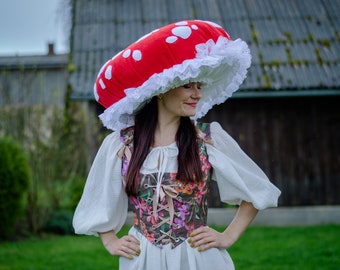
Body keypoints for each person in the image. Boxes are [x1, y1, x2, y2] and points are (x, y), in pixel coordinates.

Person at [73, 20, 281, 270]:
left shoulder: (206, 140)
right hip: (143, 259)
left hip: (197, 258)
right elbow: (98, 197)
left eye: (199, 86)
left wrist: (227, 236)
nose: (197, 94)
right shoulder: (123, 144)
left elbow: (256, 191)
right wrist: (109, 240)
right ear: (162, 89)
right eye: (188, 85)